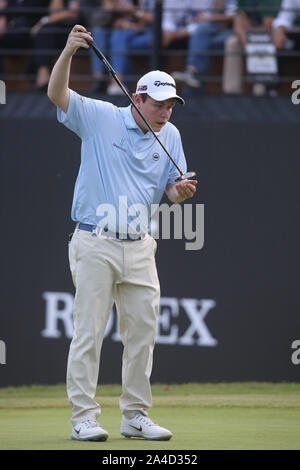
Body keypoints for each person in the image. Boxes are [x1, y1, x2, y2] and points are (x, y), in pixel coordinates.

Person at [47, 23, 197, 441]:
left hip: (140, 246)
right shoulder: (100, 117)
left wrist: (180, 193)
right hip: (95, 240)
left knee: (143, 334)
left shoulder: (171, 134)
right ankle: (83, 419)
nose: (166, 112)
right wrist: (69, 52)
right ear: (138, 98)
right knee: (90, 332)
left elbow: (172, 188)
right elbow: (56, 95)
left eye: (171, 105)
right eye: (159, 104)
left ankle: (134, 415)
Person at [84, 0, 154, 94]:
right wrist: (109, 8)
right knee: (99, 33)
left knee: (118, 37)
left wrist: (132, 12)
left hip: (141, 32)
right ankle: (100, 80)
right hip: (114, 31)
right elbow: (99, 21)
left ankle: (117, 82)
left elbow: (154, 21)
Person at [171, 0, 237, 92]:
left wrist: (209, 19)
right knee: (204, 42)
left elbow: (236, 16)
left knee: (202, 35)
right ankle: (192, 75)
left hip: (231, 33)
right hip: (211, 33)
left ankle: (191, 73)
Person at [222, 0, 282, 95]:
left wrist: (251, 38)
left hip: (269, 35)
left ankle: (259, 92)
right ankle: (231, 90)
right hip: (249, 35)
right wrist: (246, 42)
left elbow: (268, 24)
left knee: (259, 42)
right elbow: (238, 23)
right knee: (232, 43)